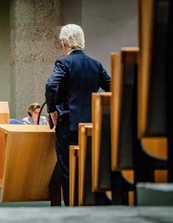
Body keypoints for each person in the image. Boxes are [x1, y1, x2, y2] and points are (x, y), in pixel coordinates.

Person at [45, 24, 111, 206]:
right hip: (92, 126)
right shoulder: (95, 65)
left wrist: (52, 111)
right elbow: (113, 87)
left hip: (68, 125)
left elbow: (51, 86)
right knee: (89, 168)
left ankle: (72, 208)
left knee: (68, 170)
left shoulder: (63, 62)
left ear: (65, 43)